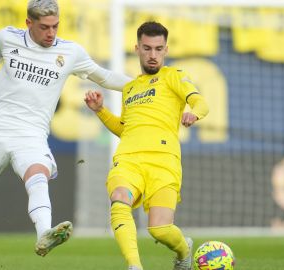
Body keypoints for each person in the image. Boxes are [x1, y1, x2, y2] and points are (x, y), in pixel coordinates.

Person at [0, 0, 131, 269]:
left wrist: (146, 84)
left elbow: (105, 77)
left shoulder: (70, 52)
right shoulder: (7, 39)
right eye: (44, 27)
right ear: (29, 23)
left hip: (31, 134)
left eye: (55, 26)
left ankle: (44, 234)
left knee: (37, 173)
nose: (51, 33)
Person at [84, 21, 209, 270]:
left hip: (164, 162)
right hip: (128, 160)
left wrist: (195, 113)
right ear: (137, 48)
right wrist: (100, 111)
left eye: (158, 49)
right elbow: (125, 129)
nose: (153, 55)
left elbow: (200, 102)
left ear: (166, 50)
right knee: (119, 199)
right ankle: (134, 265)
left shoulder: (174, 76)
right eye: (147, 48)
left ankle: (184, 250)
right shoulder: (129, 89)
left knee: (159, 229)